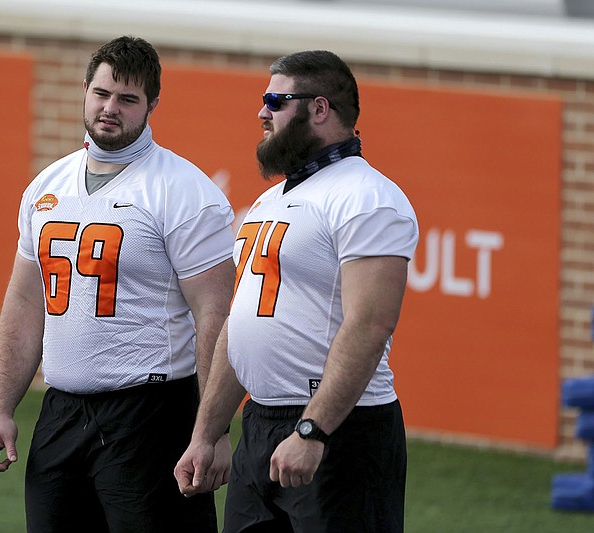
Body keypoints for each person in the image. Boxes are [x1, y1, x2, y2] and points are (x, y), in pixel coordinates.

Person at [0, 35, 235, 533]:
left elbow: (217, 315)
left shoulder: (183, 191)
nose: (109, 108)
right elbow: (25, 301)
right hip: (62, 411)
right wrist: (1, 410)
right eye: (101, 93)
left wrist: (211, 430)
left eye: (127, 98)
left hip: (150, 414)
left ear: (152, 105)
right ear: (85, 90)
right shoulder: (47, 187)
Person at [174, 50, 419, 533]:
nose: (262, 113)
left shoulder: (368, 198)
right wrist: (208, 433)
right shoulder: (271, 198)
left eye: (275, 100)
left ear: (320, 108)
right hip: (260, 426)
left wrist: (313, 429)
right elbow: (241, 324)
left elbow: (370, 325)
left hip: (339, 432)